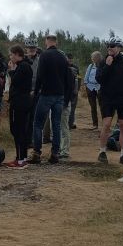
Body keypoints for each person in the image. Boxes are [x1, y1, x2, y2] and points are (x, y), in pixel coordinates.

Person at [28, 34, 72, 164]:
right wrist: (66, 96)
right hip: (60, 95)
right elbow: (67, 77)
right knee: (56, 124)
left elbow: (40, 76)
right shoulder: (63, 57)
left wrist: (36, 92)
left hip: (46, 94)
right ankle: (55, 154)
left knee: (38, 124)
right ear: (56, 43)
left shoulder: (44, 56)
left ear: (47, 42)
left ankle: (36, 153)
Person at [96, 38, 123, 164]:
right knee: (106, 124)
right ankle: (102, 151)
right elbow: (99, 79)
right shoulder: (103, 62)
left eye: (113, 46)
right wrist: (107, 65)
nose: (110, 48)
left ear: (119, 48)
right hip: (107, 98)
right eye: (108, 46)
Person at [5, 45, 33, 169]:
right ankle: (22, 158)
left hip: (19, 102)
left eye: (11, 54)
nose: (10, 57)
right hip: (24, 101)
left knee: (17, 130)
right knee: (22, 130)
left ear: (17, 54)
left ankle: (20, 160)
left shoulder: (22, 66)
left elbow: (15, 81)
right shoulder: (26, 65)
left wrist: (11, 70)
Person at [59, 57, 77, 159]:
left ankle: (65, 151)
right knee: (58, 127)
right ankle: (60, 149)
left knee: (64, 127)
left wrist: (65, 103)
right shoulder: (61, 71)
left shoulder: (69, 73)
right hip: (58, 102)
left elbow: (70, 90)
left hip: (64, 103)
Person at [83, 51, 102, 130]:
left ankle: (105, 124)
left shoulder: (102, 66)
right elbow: (86, 76)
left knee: (102, 106)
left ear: (98, 58)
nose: (92, 59)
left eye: (93, 58)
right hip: (90, 87)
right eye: (92, 58)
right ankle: (95, 124)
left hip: (99, 87)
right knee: (93, 106)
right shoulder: (90, 66)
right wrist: (86, 84)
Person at [66, 52, 80, 129]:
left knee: (72, 108)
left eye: (71, 59)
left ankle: (70, 124)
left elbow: (79, 78)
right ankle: (68, 123)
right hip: (67, 91)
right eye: (69, 59)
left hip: (73, 91)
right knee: (67, 108)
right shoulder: (64, 66)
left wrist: (77, 89)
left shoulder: (76, 68)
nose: (70, 60)